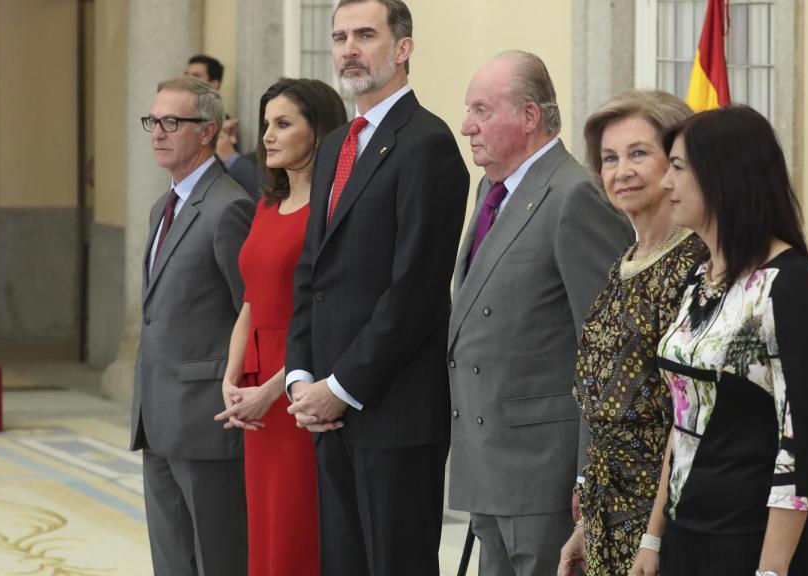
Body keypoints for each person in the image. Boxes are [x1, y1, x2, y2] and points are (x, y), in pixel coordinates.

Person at [283, 1, 469, 574]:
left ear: (403, 48)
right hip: (327, 410)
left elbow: (413, 292)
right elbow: (312, 272)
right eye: (340, 37)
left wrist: (341, 385)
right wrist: (299, 378)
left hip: (392, 412)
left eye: (366, 35)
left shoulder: (427, 144)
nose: (349, 49)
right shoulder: (338, 141)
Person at [447, 51, 632, 576]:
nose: (467, 125)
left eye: (481, 110)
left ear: (528, 117)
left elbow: (606, 351)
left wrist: (587, 478)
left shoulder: (575, 196)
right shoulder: (493, 189)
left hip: (544, 476)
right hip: (489, 464)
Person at [629, 105, 808, 576]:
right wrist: (653, 537)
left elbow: (800, 446)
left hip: (751, 545)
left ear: (723, 176)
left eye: (677, 168)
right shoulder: (700, 276)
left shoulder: (788, 285)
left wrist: (770, 570)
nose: (665, 184)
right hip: (685, 537)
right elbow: (684, 422)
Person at [556, 91, 707, 576]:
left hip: (664, 520)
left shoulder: (698, 267)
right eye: (609, 158)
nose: (621, 170)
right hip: (605, 518)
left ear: (677, 163)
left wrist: (653, 536)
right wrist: (585, 524)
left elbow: (688, 418)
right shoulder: (625, 261)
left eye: (638, 153)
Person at [213, 78, 347, 576]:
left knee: (296, 532)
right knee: (264, 534)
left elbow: (326, 318)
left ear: (319, 133)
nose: (267, 135)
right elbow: (250, 300)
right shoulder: (267, 204)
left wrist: (273, 390)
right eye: (267, 123)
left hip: (297, 387)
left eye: (284, 124)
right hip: (252, 389)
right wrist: (230, 380)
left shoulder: (329, 212)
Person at [130, 76, 255, 576]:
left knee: (218, 561)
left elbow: (252, 312)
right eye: (153, 121)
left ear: (207, 131)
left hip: (206, 421)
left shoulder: (229, 208)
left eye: (172, 122)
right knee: (171, 561)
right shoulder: (165, 206)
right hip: (157, 416)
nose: (158, 132)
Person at [186, 54, 262, 199]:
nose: (188, 81)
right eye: (186, 75)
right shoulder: (186, 119)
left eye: (196, 76)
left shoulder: (224, 126)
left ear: (214, 84)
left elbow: (228, 177)